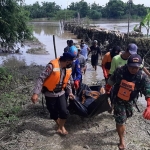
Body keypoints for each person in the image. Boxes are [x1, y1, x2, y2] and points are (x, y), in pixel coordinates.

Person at [106, 54, 150, 150]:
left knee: (128, 115)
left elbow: (148, 90)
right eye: (131, 67)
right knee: (120, 119)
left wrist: (149, 105)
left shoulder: (142, 76)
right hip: (118, 99)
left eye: (136, 67)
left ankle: (120, 126)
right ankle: (121, 140)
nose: (133, 69)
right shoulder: (120, 71)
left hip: (131, 100)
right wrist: (107, 90)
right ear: (127, 64)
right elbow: (111, 81)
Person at [31, 52, 75, 135]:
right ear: (67, 61)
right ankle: (59, 125)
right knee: (53, 112)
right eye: (71, 61)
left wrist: (70, 93)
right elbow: (41, 79)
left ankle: (61, 127)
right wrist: (36, 93)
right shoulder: (51, 66)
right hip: (50, 94)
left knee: (64, 111)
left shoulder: (68, 68)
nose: (72, 63)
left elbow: (68, 81)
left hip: (61, 92)